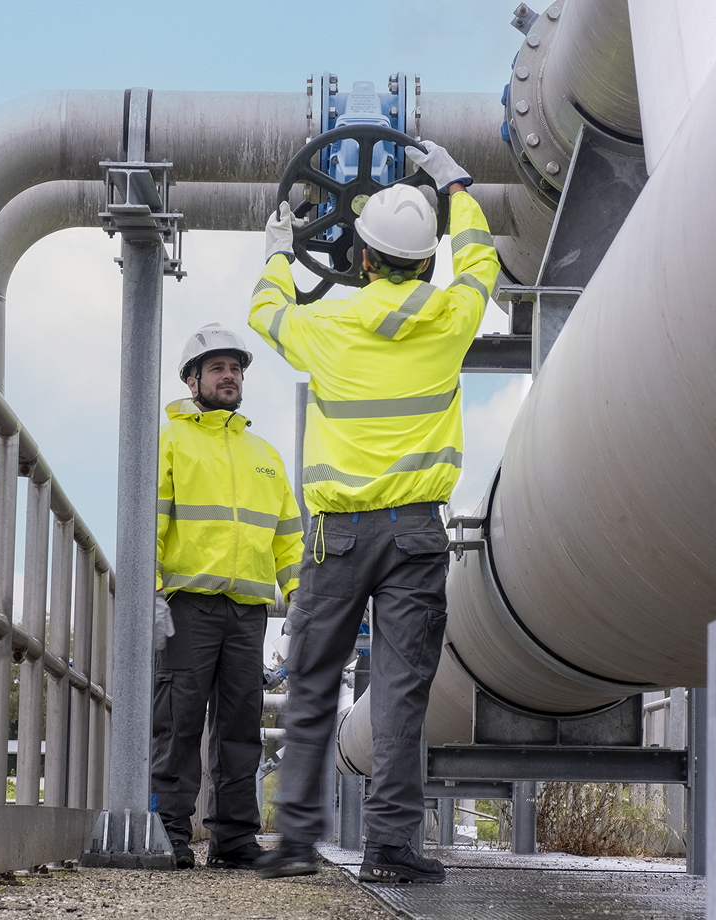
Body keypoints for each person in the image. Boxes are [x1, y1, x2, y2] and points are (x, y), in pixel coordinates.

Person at [247, 141, 498, 882]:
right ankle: (389, 849)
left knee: (314, 684)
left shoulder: (328, 330)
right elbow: (481, 260)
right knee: (398, 692)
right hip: (416, 533)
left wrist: (279, 252)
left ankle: (294, 843)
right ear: (425, 263)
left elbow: (266, 313)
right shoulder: (453, 318)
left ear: (361, 258)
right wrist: (454, 185)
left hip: (337, 539)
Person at [151, 323, 303, 870]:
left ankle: (234, 839)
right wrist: (152, 591)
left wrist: (298, 595)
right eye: (217, 368)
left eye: (235, 368)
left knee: (240, 724)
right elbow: (150, 520)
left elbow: (288, 535)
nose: (229, 376)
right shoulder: (169, 439)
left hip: (248, 612)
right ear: (192, 379)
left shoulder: (263, 454)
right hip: (187, 604)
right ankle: (167, 830)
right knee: (179, 720)